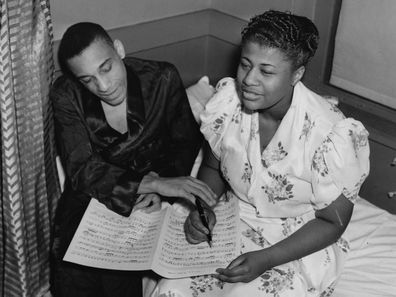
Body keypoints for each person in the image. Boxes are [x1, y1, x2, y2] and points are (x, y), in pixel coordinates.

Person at [152, 10, 370, 297]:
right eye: (245, 65)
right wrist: (204, 209)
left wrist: (266, 259)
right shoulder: (229, 103)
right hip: (232, 222)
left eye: (266, 71)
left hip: (295, 240)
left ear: (297, 74)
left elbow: (332, 222)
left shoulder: (329, 134)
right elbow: (213, 168)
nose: (248, 80)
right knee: (171, 289)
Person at [50, 22, 217, 297]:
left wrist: (161, 191)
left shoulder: (162, 79)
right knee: (73, 279)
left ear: (119, 49)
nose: (102, 86)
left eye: (106, 68)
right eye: (87, 79)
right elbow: (81, 170)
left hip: (142, 204)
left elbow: (184, 143)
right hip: (87, 202)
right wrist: (151, 184)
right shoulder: (66, 93)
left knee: (120, 285)